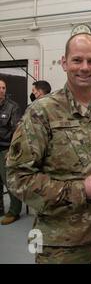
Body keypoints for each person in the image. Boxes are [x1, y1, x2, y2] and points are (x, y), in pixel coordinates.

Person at [6, 33, 91, 263]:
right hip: (61, 247)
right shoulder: (42, 112)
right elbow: (17, 177)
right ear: (64, 62)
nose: (84, 67)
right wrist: (81, 190)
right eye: (77, 60)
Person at [0, 77, 22, 225]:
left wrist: (12, 150)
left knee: (9, 180)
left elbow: (17, 131)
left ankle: (14, 211)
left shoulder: (12, 107)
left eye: (3, 88)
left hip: (5, 149)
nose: (1, 90)